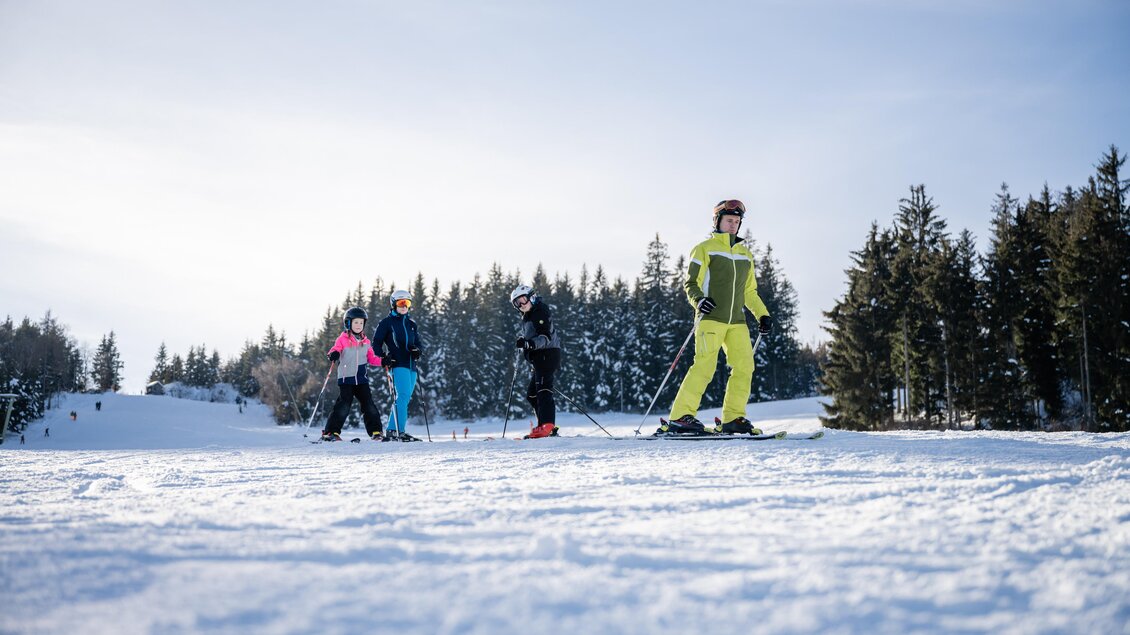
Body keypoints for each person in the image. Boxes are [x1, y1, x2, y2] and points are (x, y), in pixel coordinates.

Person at [665, 199, 772, 435]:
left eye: (736, 221)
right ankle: (681, 417)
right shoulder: (704, 249)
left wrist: (762, 315)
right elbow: (691, 283)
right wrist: (699, 300)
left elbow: (749, 291)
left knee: (745, 367)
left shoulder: (745, 255)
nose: (733, 225)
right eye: (729, 220)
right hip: (710, 318)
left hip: (737, 322)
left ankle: (734, 418)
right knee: (704, 366)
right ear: (718, 221)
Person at [321, 307, 386, 442]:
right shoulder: (343, 339)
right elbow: (336, 349)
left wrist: (384, 361)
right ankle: (331, 432)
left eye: (361, 323)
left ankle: (376, 432)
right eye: (356, 322)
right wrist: (333, 354)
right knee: (344, 404)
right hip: (346, 379)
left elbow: (372, 359)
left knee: (368, 404)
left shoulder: (366, 342)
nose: (358, 325)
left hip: (362, 379)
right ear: (348, 323)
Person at [510, 284, 562, 439]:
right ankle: (545, 426)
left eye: (523, 300)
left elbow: (545, 337)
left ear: (531, 296)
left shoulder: (539, 311)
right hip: (539, 359)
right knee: (532, 394)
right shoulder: (529, 315)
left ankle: (547, 426)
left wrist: (529, 344)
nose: (521, 305)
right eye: (517, 303)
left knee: (543, 391)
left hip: (548, 355)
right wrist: (525, 344)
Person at [372, 289, 424, 442]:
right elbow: (376, 343)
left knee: (405, 398)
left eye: (407, 303)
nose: (404, 306)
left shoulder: (412, 324)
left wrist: (417, 351)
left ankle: (392, 429)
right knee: (402, 396)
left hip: (411, 365)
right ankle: (398, 431)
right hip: (397, 363)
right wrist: (384, 357)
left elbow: (419, 344)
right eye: (400, 303)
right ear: (393, 304)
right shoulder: (387, 323)